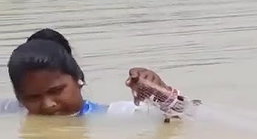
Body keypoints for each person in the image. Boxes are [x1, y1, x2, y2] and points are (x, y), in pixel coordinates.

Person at [3, 29, 194, 120]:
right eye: (33, 97)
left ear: (79, 79)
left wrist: (162, 96)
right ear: (20, 98)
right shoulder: (12, 111)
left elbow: (192, 115)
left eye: (57, 90)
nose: (48, 104)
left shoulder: (111, 115)